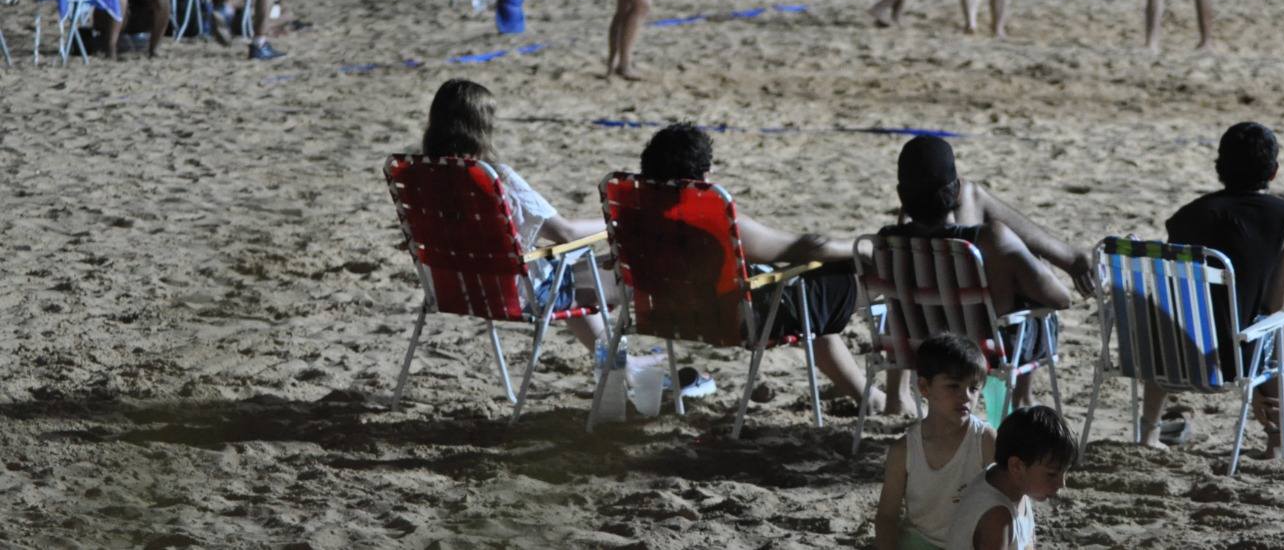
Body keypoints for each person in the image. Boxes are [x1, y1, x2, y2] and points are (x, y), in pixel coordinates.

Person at [420, 80, 714, 396]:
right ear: (480, 128)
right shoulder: (494, 177)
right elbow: (566, 232)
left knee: (567, 269)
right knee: (607, 271)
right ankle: (629, 373)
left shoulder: (420, 174)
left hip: (452, 286)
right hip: (512, 294)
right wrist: (621, 225)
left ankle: (625, 365)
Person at [637, 122, 880, 407]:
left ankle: (869, 396)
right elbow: (802, 248)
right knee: (861, 271)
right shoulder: (709, 215)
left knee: (806, 299)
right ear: (703, 176)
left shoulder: (638, 212)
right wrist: (861, 246)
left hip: (674, 317)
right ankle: (892, 396)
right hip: (741, 322)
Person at [884, 136, 1091, 412]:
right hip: (985, 350)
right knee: (1030, 276)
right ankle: (1022, 399)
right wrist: (1036, 263)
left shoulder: (885, 243)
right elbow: (1061, 299)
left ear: (901, 196)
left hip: (921, 347)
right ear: (955, 191)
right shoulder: (991, 239)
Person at [1140, 122, 1284, 460]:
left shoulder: (1184, 217)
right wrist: (1257, 381)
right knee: (1274, 324)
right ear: (1273, 171)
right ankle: (1278, 438)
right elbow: (1275, 305)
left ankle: (1148, 432)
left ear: (1219, 168)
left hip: (1172, 354)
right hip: (1235, 359)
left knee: (1166, 315)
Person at [874, 334, 996, 550]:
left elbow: (1009, 502)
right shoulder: (904, 450)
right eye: (953, 386)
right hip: (921, 541)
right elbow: (886, 516)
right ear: (924, 387)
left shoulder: (985, 441)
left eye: (973, 388)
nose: (966, 396)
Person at [945, 405, 1072, 550]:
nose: (1062, 484)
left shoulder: (1015, 484)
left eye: (1065, 472)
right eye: (1052, 474)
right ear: (1016, 466)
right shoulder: (996, 519)